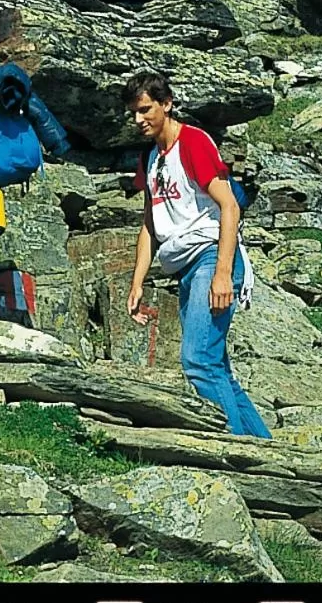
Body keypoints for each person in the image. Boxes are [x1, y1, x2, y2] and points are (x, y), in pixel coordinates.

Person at [123, 72, 271, 438]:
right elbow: (149, 224)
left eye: (145, 110)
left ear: (166, 104)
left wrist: (223, 274)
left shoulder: (193, 142)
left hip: (210, 256)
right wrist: (137, 282)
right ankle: (264, 449)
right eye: (134, 113)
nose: (138, 120)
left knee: (198, 361)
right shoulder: (151, 157)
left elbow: (230, 206)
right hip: (184, 267)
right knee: (217, 367)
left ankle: (236, 453)